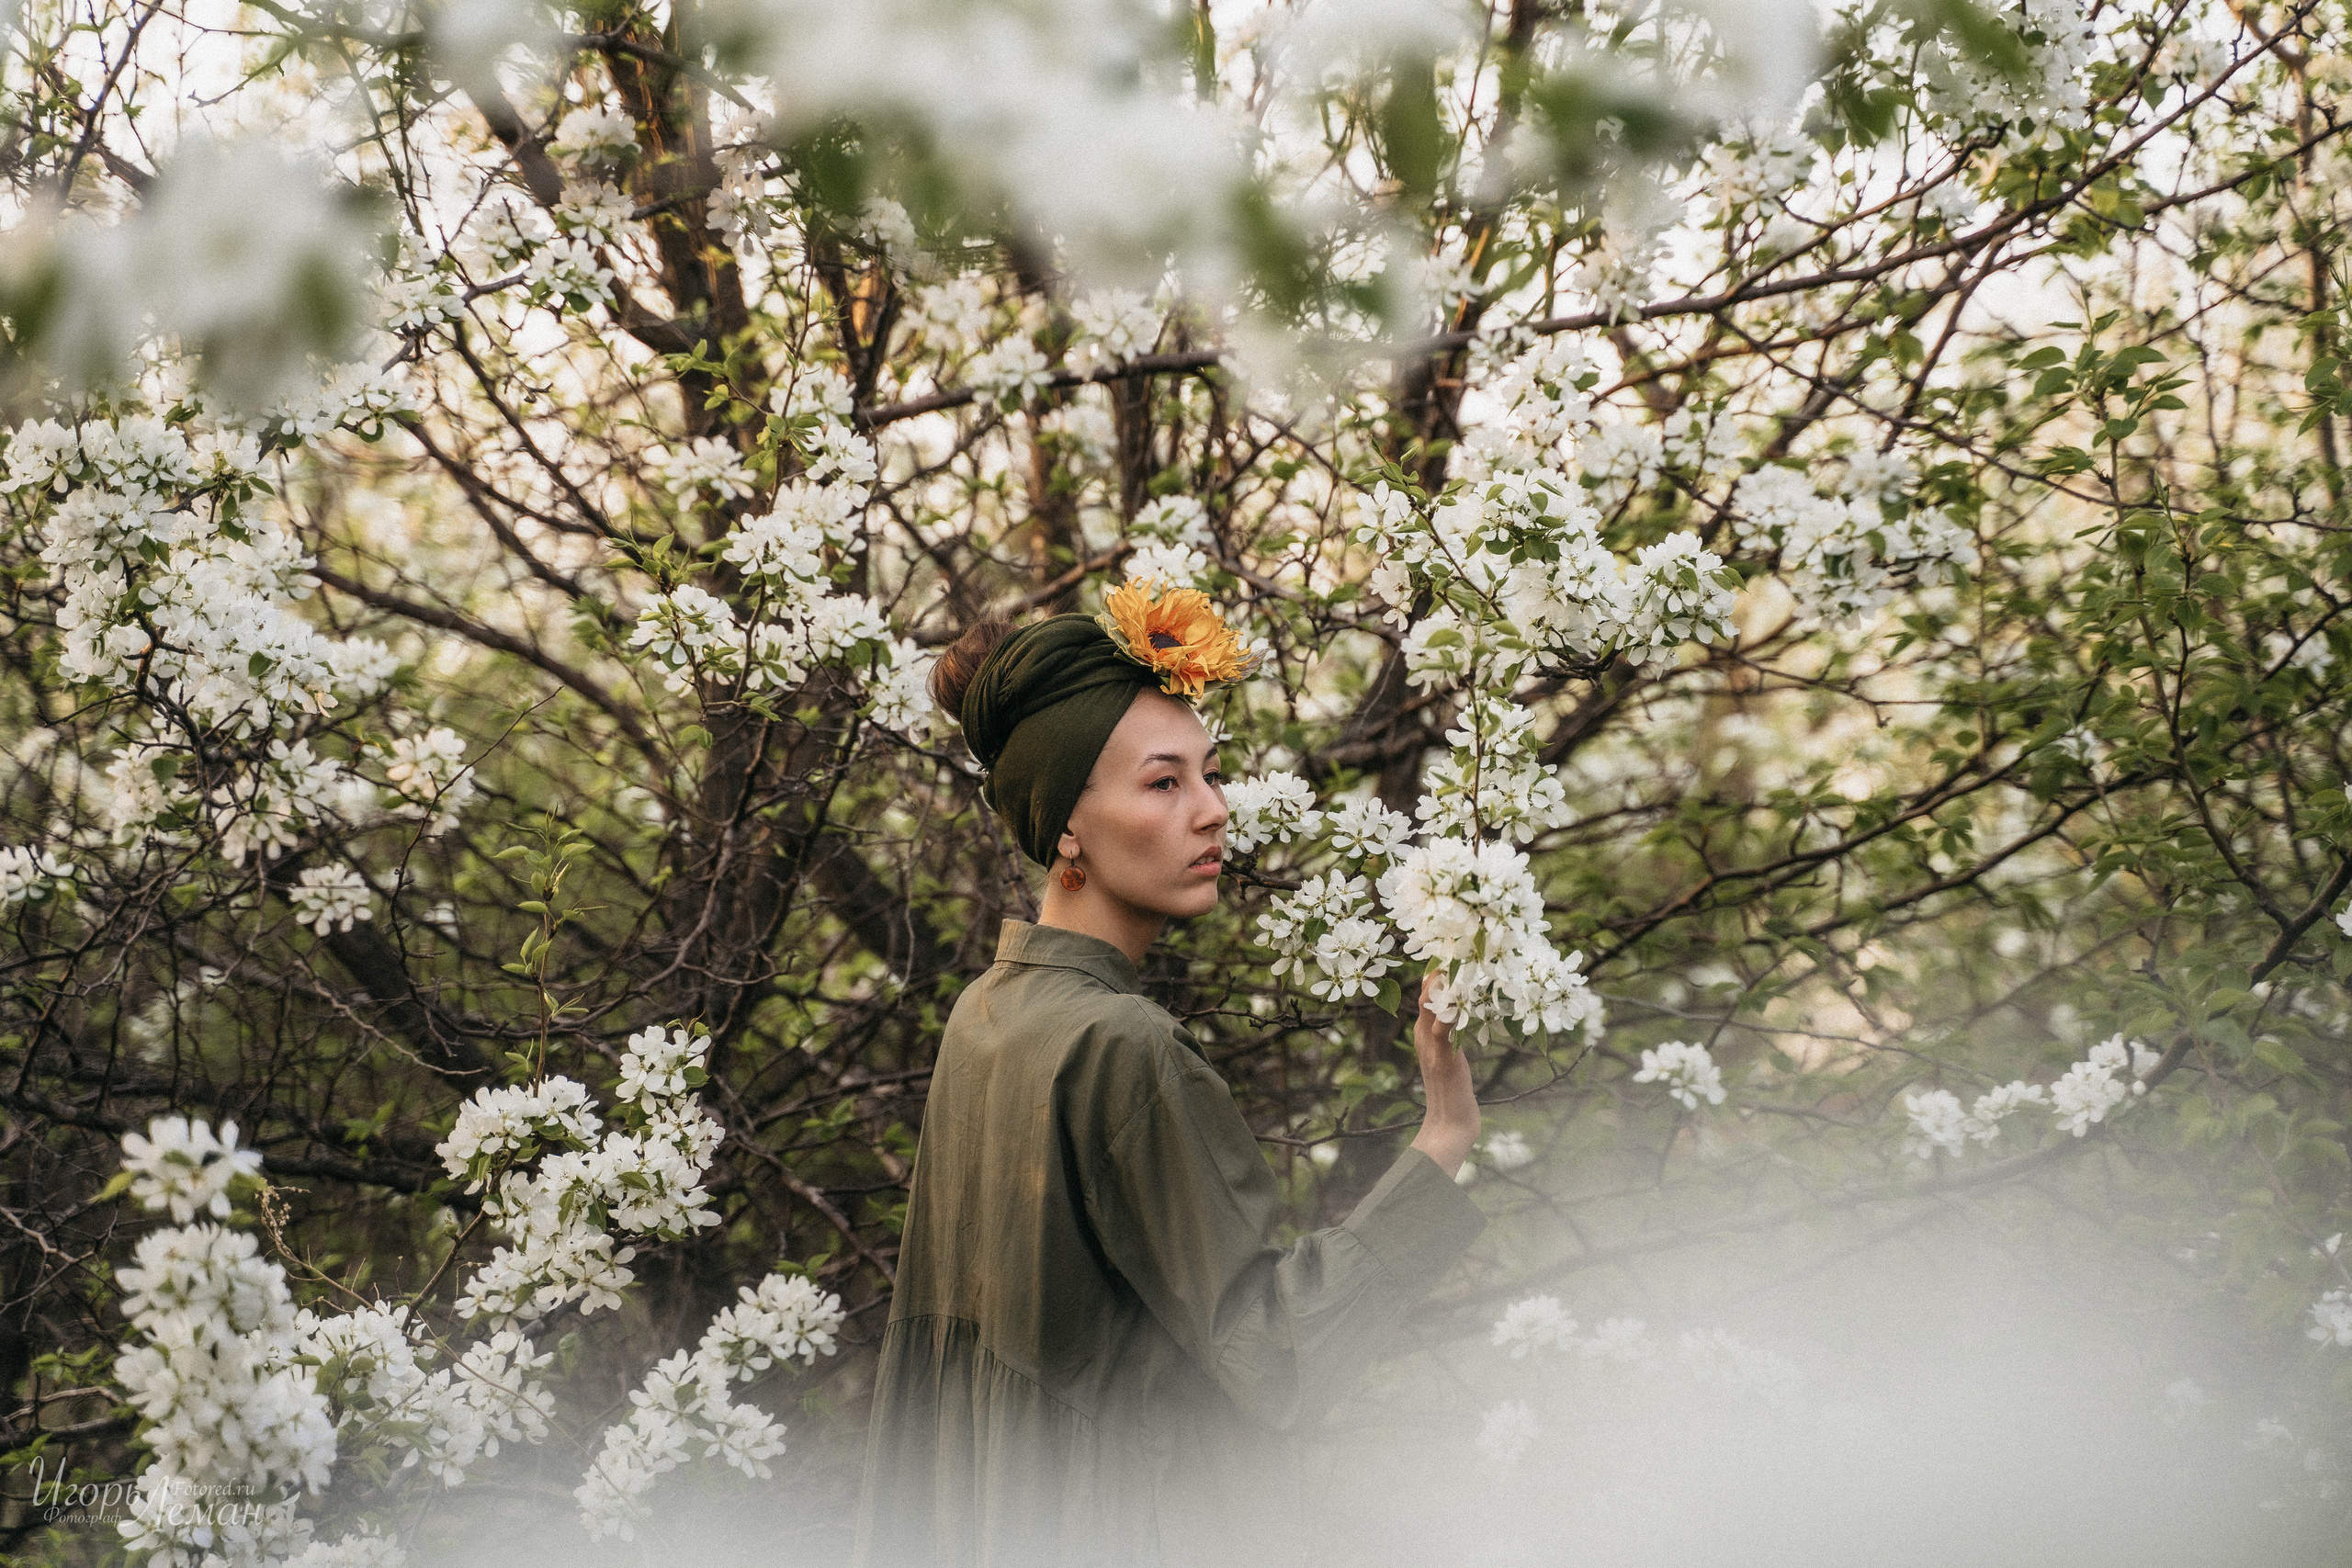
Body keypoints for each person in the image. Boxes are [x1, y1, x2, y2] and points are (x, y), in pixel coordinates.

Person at [853, 585, 1486, 1568]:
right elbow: (1276, 1355)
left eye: (1212, 774)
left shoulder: (984, 1014)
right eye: (1163, 784)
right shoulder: (1123, 1047)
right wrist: (1443, 1138)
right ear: (1065, 824)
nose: (1213, 811)